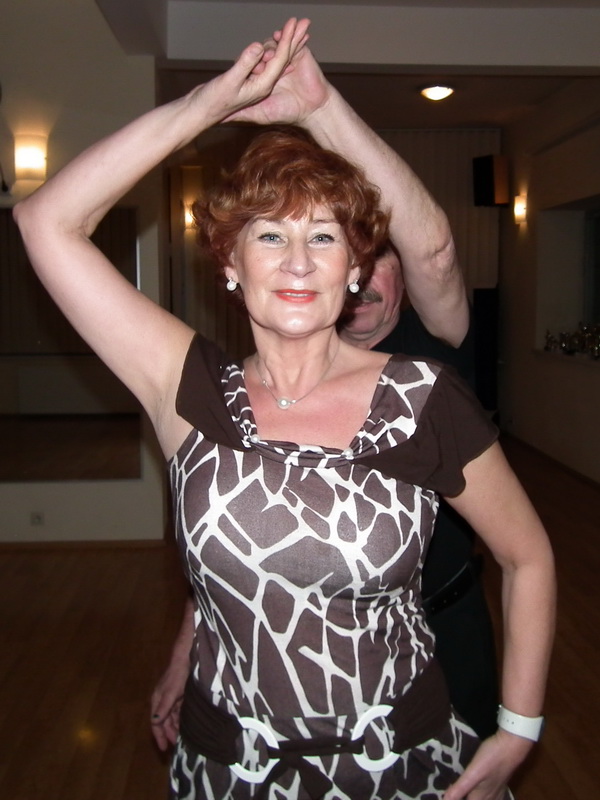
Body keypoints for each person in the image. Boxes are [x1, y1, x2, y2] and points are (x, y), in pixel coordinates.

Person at [14, 18, 555, 800]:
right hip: (229, 770)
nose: (298, 262)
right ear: (230, 264)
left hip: (401, 766)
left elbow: (527, 555)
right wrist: (206, 105)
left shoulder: (421, 398)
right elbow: (46, 222)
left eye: (324, 238)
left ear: (355, 267)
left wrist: (519, 728)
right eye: (269, 236)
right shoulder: (187, 387)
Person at [151, 34, 497, 749]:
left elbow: (435, 251)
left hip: (439, 627)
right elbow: (240, 539)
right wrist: (187, 649)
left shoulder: (430, 358)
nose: (312, 264)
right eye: (276, 239)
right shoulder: (245, 380)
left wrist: (320, 108)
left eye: (345, 247)